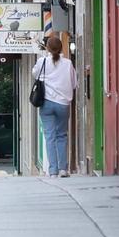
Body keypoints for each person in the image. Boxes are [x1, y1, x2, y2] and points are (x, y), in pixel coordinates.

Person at [33, 35, 77, 177]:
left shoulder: (42, 62)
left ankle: (53, 171)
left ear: (47, 48)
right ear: (61, 48)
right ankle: (63, 169)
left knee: (50, 136)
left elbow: (35, 74)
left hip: (46, 103)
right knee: (62, 135)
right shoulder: (68, 63)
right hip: (63, 104)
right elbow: (74, 84)